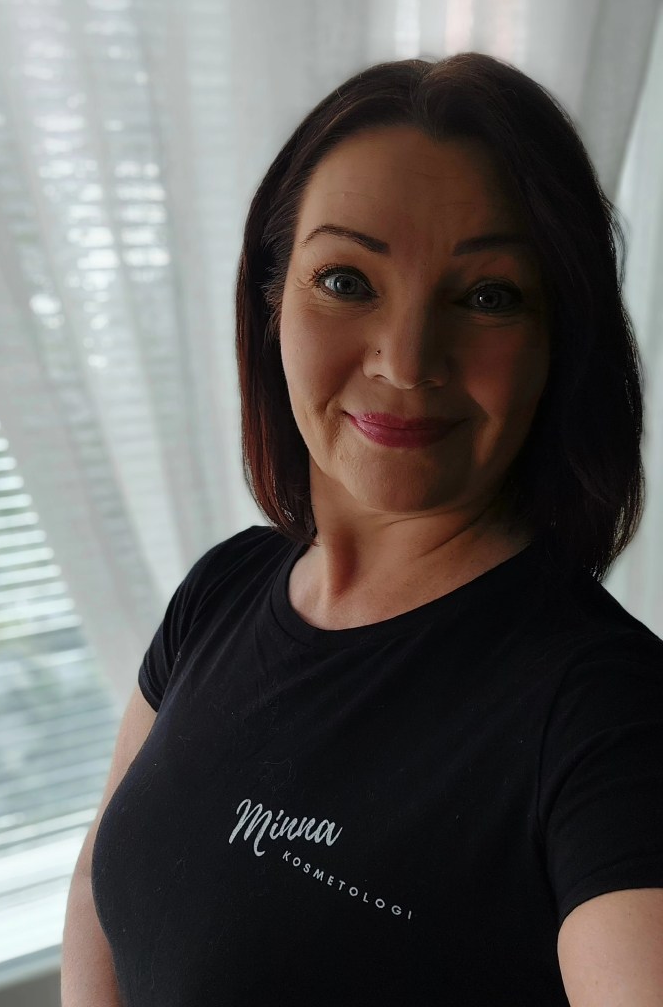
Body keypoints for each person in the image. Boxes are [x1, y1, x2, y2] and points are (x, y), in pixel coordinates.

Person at [61, 52, 663, 1006]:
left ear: (560, 341)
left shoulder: (610, 713)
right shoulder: (222, 589)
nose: (407, 359)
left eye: (489, 295)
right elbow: (105, 880)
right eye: (346, 280)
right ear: (272, 302)